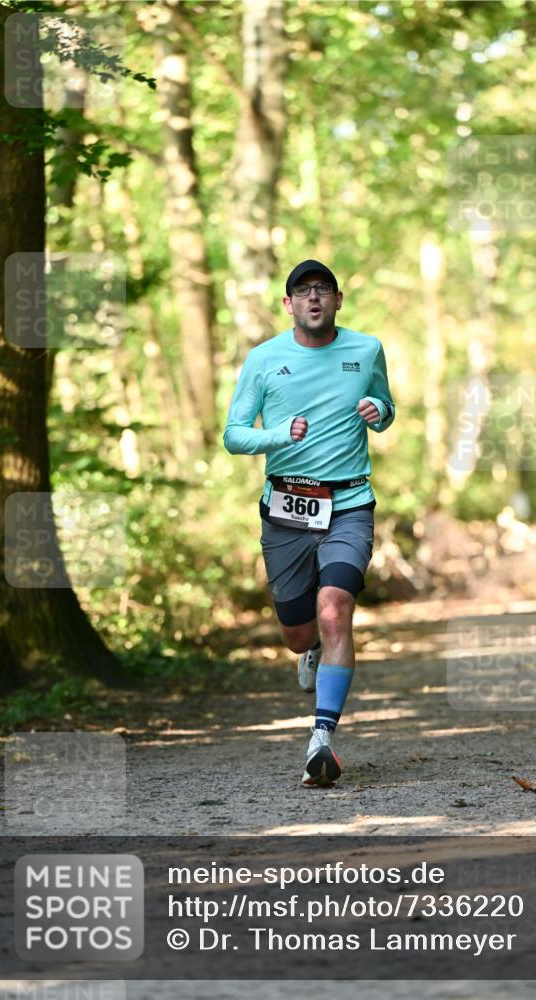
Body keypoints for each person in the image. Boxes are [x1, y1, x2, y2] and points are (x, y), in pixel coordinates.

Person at [223, 260, 395, 787]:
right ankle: (312, 652)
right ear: (289, 304)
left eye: (322, 290)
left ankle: (322, 737)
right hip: (286, 511)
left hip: (348, 503)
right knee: (299, 634)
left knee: (335, 605)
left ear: (338, 299)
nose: (313, 298)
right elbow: (233, 434)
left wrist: (379, 411)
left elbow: (388, 406)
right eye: (303, 291)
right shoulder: (264, 358)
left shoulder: (366, 350)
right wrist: (278, 436)